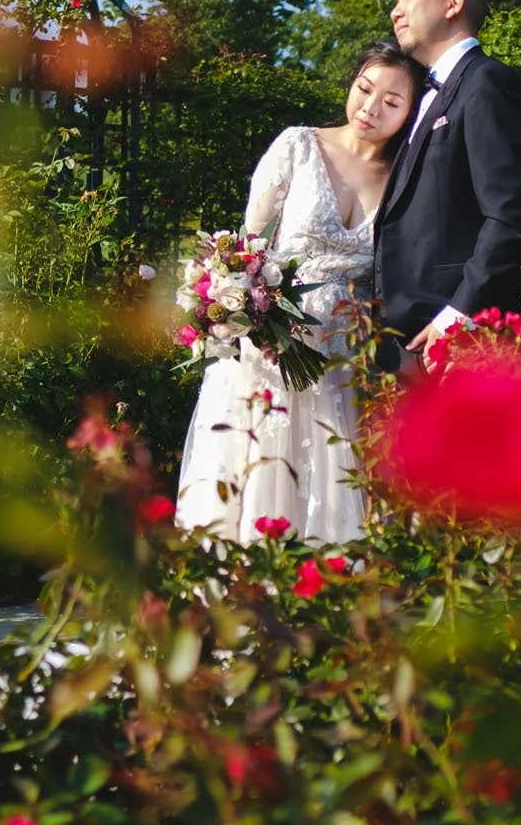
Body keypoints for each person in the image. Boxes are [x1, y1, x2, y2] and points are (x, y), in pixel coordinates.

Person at [175, 39, 427, 543]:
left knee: (331, 477)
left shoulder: (405, 179)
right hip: (271, 341)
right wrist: (242, 299)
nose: (370, 108)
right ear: (352, 81)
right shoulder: (298, 145)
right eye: (364, 88)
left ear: (409, 114)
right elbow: (248, 245)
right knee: (259, 459)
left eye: (392, 102)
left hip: (345, 350)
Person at [374, 0, 521, 372]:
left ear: (453, 3)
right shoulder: (422, 94)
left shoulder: (486, 82)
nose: (395, 11)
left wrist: (458, 317)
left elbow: (510, 218)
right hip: (404, 345)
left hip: (458, 348)